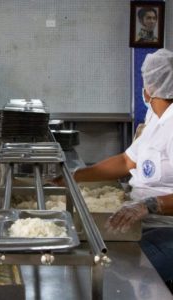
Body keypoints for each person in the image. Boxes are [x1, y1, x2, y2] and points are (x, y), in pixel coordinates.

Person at [57, 49, 173, 290]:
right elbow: (125, 161)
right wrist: (73, 177)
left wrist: (149, 204)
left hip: (165, 227)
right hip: (143, 220)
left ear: (149, 88)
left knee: (118, 269)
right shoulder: (155, 116)